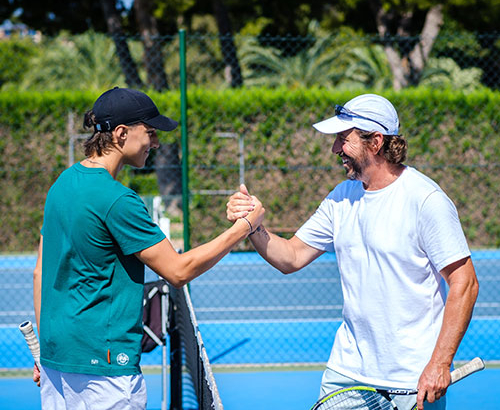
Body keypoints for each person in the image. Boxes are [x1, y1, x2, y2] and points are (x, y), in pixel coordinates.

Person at [226, 94, 479, 410]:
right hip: (346, 373)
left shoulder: (426, 201)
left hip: (411, 380)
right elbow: (290, 256)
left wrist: (440, 363)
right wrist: (252, 225)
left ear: (375, 142)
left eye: (343, 140)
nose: (335, 150)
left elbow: (465, 284)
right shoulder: (341, 197)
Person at [32, 87, 264, 409]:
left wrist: (45, 351)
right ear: (122, 133)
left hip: (56, 361)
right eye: (151, 133)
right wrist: (245, 227)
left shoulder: (61, 185)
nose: (155, 143)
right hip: (107, 372)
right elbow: (178, 271)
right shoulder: (118, 200)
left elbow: (40, 272)